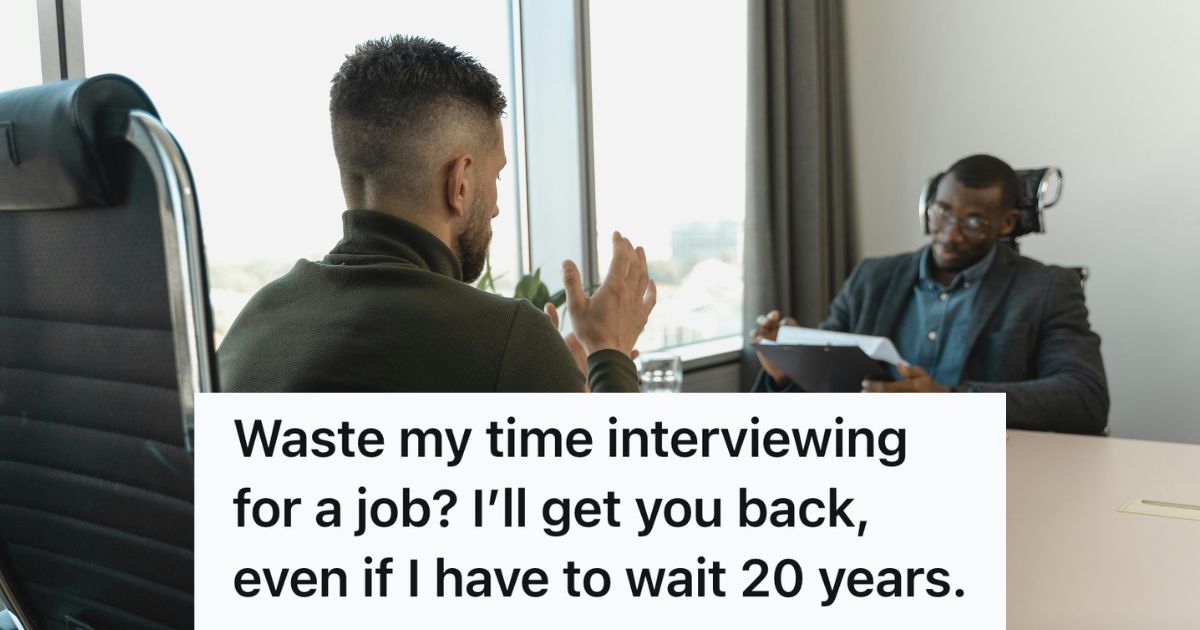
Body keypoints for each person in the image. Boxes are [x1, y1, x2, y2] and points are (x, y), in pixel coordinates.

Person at [219, 35, 656, 392]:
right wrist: (608, 353)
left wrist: (550, 381)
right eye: (496, 176)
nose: (497, 206)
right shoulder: (509, 340)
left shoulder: (256, 320)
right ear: (460, 183)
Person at [752, 154, 1109, 435]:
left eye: (973, 222)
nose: (950, 235)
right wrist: (787, 368)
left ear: (1007, 223)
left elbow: (1085, 397)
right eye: (942, 213)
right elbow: (825, 386)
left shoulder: (1046, 288)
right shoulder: (872, 278)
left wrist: (951, 401)